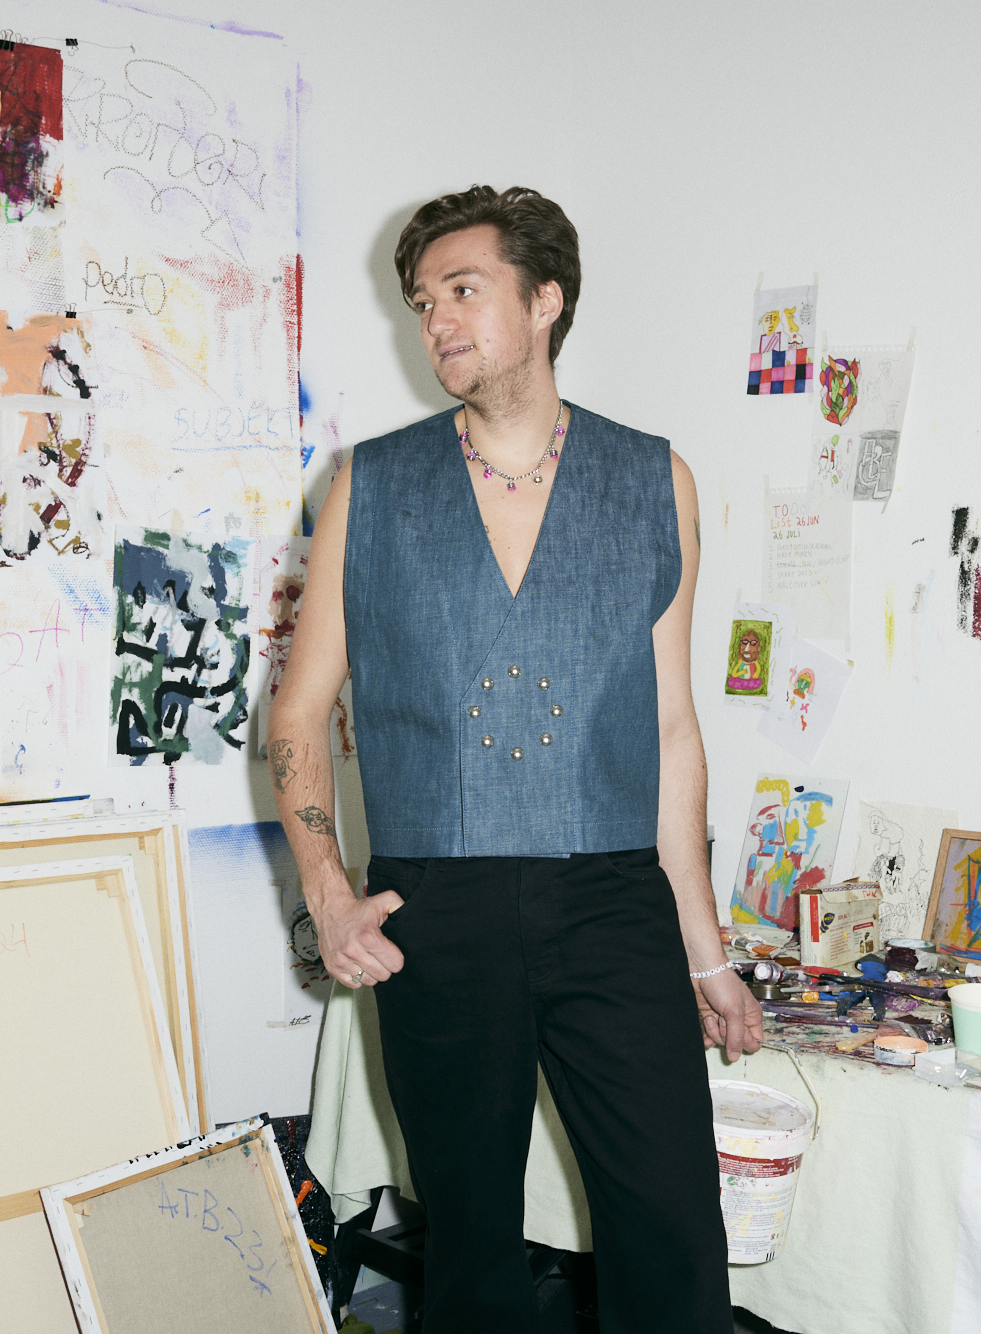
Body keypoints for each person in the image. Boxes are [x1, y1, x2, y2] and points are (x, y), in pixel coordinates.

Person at [267, 185, 759, 1332]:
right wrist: (328, 895)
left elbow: (671, 731)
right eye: (421, 301)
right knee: (472, 1245)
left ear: (544, 300)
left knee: (673, 1229)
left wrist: (704, 953)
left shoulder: (654, 479)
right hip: (436, 904)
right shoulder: (369, 484)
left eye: (462, 289)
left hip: (612, 898)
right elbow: (297, 713)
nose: (435, 320)